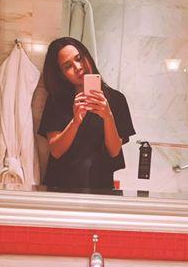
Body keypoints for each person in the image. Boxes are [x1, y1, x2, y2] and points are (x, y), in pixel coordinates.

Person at [38, 37, 135, 191]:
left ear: (87, 56)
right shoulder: (57, 100)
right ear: (62, 74)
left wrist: (108, 116)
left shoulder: (116, 100)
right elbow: (56, 150)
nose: (78, 67)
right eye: (68, 66)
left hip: (100, 187)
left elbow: (114, 150)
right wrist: (75, 121)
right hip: (61, 187)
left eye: (79, 58)